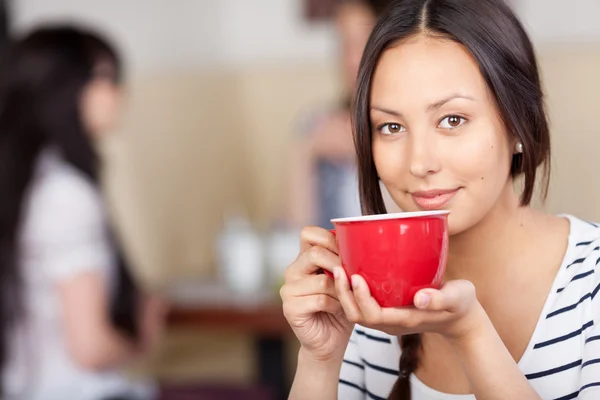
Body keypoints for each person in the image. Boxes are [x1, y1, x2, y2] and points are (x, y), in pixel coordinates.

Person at [280, 0, 600, 399]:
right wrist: (320, 359)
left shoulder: (591, 283)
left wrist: (469, 333)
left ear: (520, 123)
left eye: (452, 120)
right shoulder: (366, 304)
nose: (419, 162)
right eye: (391, 126)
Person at [0, 26, 165, 400]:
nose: (120, 93)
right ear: (66, 88)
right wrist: (145, 336)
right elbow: (90, 348)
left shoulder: (24, 185)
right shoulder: (66, 195)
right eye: (107, 77)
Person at [287, 0, 393, 229]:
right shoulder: (316, 124)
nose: (352, 59)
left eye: (363, 41)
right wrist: (306, 151)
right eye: (345, 45)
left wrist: (364, 153)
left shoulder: (408, 125)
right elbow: (293, 231)